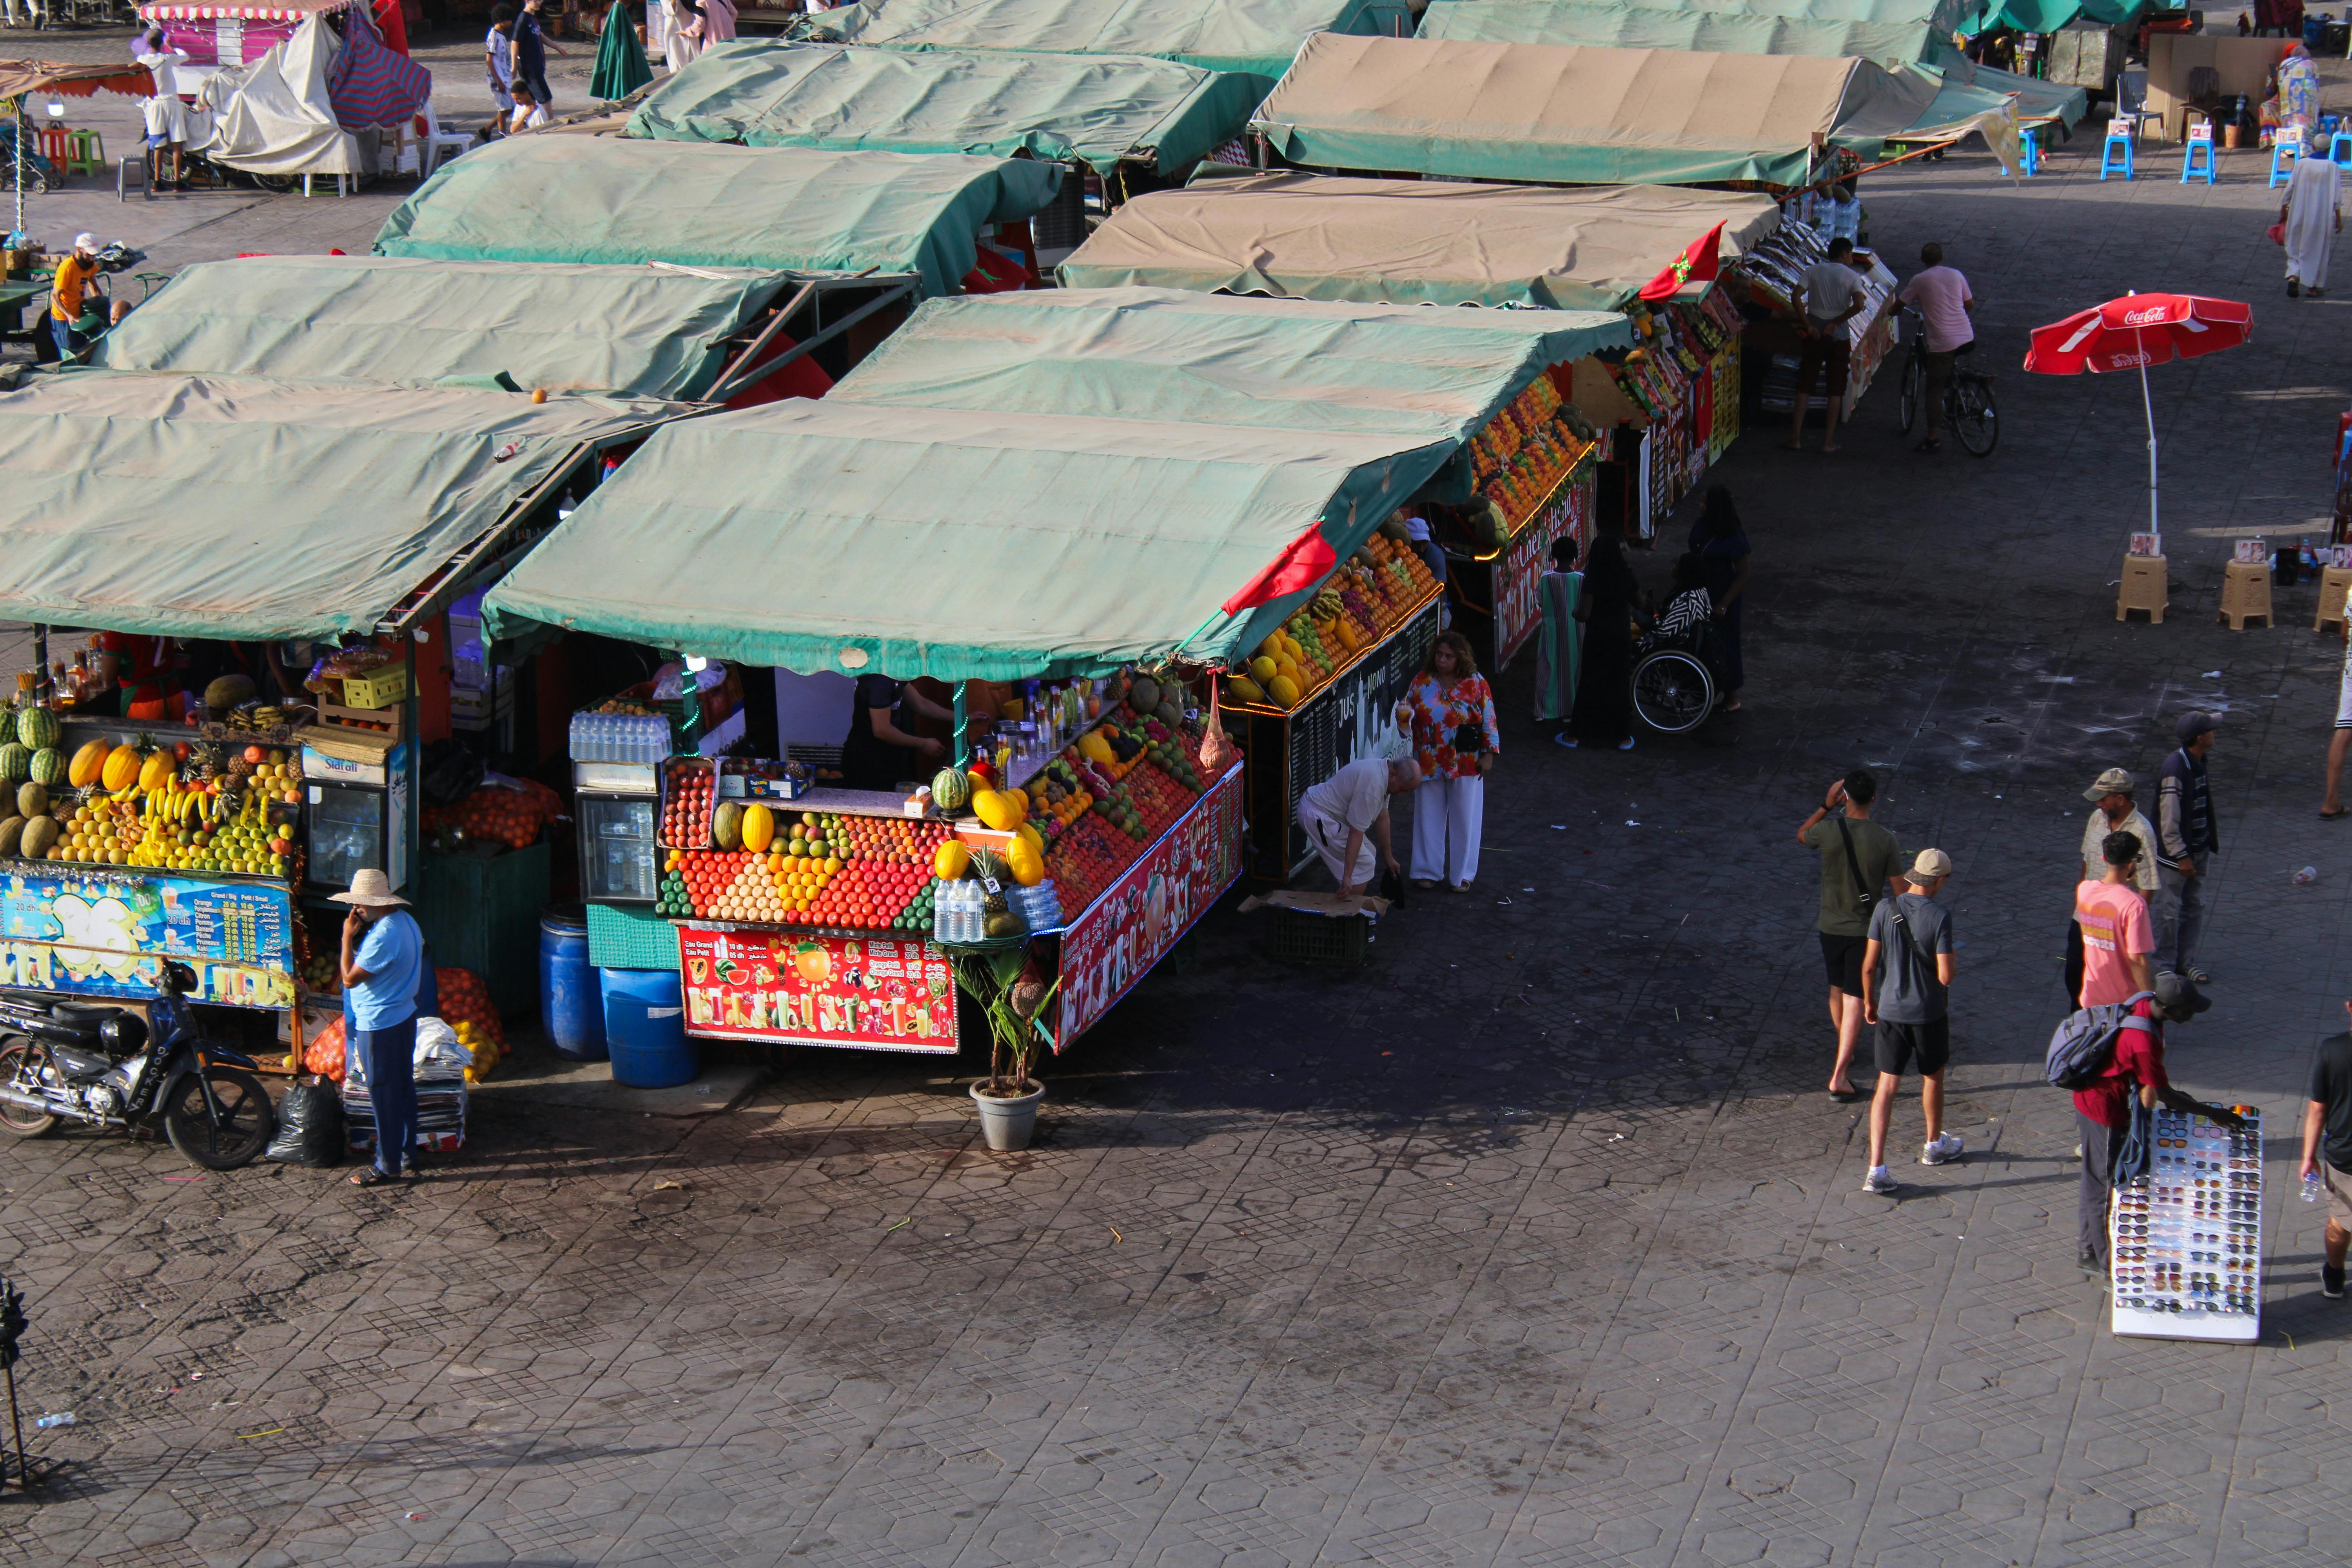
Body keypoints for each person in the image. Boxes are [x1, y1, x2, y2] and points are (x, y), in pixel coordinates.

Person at [2074, 973, 2237, 1273]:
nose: (2191, 1016)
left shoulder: (2143, 1003)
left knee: (2095, 1179)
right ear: (2170, 1009)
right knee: (2104, 1186)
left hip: (2094, 1099)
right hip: (2102, 1110)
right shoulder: (2143, 1040)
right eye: (2188, 1010)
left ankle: (2088, 1251)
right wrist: (2213, 1114)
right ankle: (2107, 1263)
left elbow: (2157, 1087)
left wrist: (2182, 1100)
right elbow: (2163, 1094)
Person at [1858, 848, 1963, 1194]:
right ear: (1940, 881)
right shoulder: (1940, 916)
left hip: (1890, 1010)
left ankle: (1877, 1168)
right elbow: (1946, 977)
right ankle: (1934, 1144)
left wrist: (1870, 1001)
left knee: (1886, 1086)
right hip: (1928, 1012)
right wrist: (1951, 956)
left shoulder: (1885, 908)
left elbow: (1869, 966)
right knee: (1932, 1078)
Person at [1797, 769, 1904, 1101]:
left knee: (1837, 987)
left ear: (1844, 798)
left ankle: (1846, 1045)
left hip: (1829, 925)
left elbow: (1802, 835)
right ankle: (1840, 1075)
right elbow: (1900, 891)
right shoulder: (1885, 839)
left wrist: (1826, 805)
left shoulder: (1828, 831)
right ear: (1874, 798)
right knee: (1856, 996)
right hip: (1865, 929)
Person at [334, 869, 425, 1188]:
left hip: (380, 1024)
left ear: (375, 902)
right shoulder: (407, 922)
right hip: (402, 1016)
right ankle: (407, 1152)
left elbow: (349, 978)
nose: (356, 910)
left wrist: (347, 937)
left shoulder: (384, 935)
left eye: (360, 904)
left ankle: (388, 1165)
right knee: (402, 1087)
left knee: (384, 1093)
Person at [1405, 631, 1498, 892]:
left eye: (1449, 656)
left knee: (1466, 818)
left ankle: (1463, 875)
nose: (1443, 660)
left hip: (1466, 760)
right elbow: (1406, 710)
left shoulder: (1476, 683)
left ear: (1460, 658)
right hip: (1430, 758)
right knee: (1428, 816)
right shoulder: (1422, 681)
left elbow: (1489, 718)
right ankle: (1427, 871)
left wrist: (1489, 754)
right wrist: (1404, 718)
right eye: (1439, 655)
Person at [2068, 769, 2158, 1005]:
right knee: (2075, 975)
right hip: (2086, 915)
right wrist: (2083, 902)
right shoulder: (2097, 819)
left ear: (2120, 799)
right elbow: (2086, 862)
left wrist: (2133, 925)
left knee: (2114, 981)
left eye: (2103, 799)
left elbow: (2148, 884)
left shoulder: (2142, 831)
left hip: (2117, 922)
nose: (2099, 804)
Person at [1560, 512, 1641, 751]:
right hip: (1621, 635)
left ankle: (1575, 736)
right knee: (1619, 683)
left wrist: (1574, 612)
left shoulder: (1593, 578)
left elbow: (1584, 614)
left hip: (1597, 637)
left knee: (1590, 683)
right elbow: (1640, 603)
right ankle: (1623, 737)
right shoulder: (1627, 575)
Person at [2154, 712, 2220, 984]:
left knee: (2195, 906)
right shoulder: (2176, 769)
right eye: (2211, 730)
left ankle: (2185, 963)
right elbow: (2168, 820)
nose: (2215, 733)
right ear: (2200, 738)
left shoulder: (2199, 762)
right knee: (2169, 911)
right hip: (2178, 858)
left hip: (2199, 849)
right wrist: (2182, 856)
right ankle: (2164, 967)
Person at [1788, 236, 1868, 454]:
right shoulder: (1852, 277)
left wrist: (1808, 325)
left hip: (1814, 331)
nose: (1852, 260)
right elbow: (1859, 305)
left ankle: (1796, 438)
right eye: (1851, 255)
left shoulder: (1813, 271)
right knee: (1836, 389)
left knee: (1805, 384)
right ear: (1844, 254)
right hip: (1839, 336)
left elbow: (1796, 297)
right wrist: (1836, 322)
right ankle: (1827, 442)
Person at [1296, 756, 1416, 900]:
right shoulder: (1373, 787)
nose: (1402, 795)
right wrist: (1347, 877)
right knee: (1365, 865)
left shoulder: (1384, 775)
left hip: (1326, 814)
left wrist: (1389, 857)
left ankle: (1350, 902)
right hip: (1317, 815)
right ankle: (1348, 909)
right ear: (1393, 774)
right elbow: (1356, 833)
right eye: (1402, 789)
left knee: (1370, 852)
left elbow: (1383, 817)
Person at [1897, 242, 1976, 452]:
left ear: (1923, 260)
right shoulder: (1956, 275)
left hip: (1943, 341)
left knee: (1934, 389)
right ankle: (1954, 399)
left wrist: (1892, 312)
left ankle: (1933, 438)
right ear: (1942, 258)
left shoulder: (1919, 280)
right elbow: (1969, 304)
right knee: (1948, 369)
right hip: (1967, 335)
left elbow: (1900, 304)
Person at [2299, 998, 2352, 1299]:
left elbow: (2318, 1109)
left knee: (2342, 1220)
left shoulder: (2332, 1050)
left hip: (2345, 1154)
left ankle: (2334, 1276)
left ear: (2349, 1007)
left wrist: (2308, 1157)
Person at [2075, 831, 2155, 1008]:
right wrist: (2148, 1002)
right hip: (2124, 1004)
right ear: (2131, 864)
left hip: (2092, 998)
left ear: (2104, 858)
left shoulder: (2084, 890)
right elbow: (2137, 960)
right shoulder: (2134, 905)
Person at [1688, 486, 1749, 712]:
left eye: (1705, 504)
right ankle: (1703, 692)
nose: (1701, 507)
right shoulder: (1702, 525)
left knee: (1725, 645)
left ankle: (1732, 697)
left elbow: (1743, 574)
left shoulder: (1734, 535)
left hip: (1722, 596)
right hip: (1702, 593)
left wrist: (1724, 604)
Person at [837, 672, 951, 791]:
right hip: (867, 762)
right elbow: (882, 730)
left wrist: (960, 718)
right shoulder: (880, 681)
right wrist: (923, 744)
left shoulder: (896, 675)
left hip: (887, 758)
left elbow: (922, 704)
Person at [134, 29, 194, 192]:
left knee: (158, 146)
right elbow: (185, 56)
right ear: (162, 43)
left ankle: (157, 182)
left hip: (154, 106)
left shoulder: (142, 59)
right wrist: (172, 46)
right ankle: (178, 182)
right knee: (177, 145)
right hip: (172, 104)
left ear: (148, 43)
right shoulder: (168, 58)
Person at [1532, 535, 1581, 730]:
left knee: (1547, 669)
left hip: (1550, 633)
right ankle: (1568, 711)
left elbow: (1540, 601)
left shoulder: (1546, 578)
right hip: (1575, 635)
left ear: (1555, 556)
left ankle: (1541, 711)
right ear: (1574, 556)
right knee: (1572, 669)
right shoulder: (1581, 579)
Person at [2281, 151, 2341, 299]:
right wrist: (2339, 219)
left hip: (2298, 213)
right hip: (2321, 217)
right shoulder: (2332, 167)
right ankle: (2314, 288)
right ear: (2329, 149)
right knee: (2317, 250)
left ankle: (2294, 276)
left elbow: (2290, 187)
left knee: (2295, 246)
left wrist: (2284, 207)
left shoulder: (2301, 164)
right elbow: (2337, 197)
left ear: (2313, 147)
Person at [47, 234, 102, 363]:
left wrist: (100, 305)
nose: (92, 258)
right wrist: (69, 316)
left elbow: (93, 284)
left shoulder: (90, 264)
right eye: (89, 255)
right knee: (71, 355)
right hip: (64, 318)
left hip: (80, 313)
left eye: (94, 255)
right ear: (79, 250)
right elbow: (55, 296)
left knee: (84, 351)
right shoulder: (67, 268)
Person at [510, 0, 567, 125]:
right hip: (530, 69)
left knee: (531, 99)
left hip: (537, 67)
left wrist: (557, 48)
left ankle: (529, 125)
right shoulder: (523, 19)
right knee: (546, 98)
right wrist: (514, 67)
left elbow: (541, 36)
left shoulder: (533, 18)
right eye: (536, 0)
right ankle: (549, 125)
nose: (540, 2)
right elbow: (515, 43)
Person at [1641, 553, 1711, 651]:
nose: (1672, 565)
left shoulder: (1690, 602)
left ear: (1684, 571)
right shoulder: (1697, 588)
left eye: (1676, 564)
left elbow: (1663, 632)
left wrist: (1655, 612)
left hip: (1676, 645)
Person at [486, 6, 518, 136]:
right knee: (504, 109)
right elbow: (489, 60)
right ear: (500, 20)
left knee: (509, 109)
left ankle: (487, 130)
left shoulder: (501, 36)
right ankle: (502, 135)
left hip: (504, 77)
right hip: (498, 79)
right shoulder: (494, 37)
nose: (511, 22)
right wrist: (498, 80)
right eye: (508, 19)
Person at [664, 0, 704, 71]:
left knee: (694, 59)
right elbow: (667, 11)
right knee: (676, 61)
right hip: (675, 31)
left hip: (691, 26)